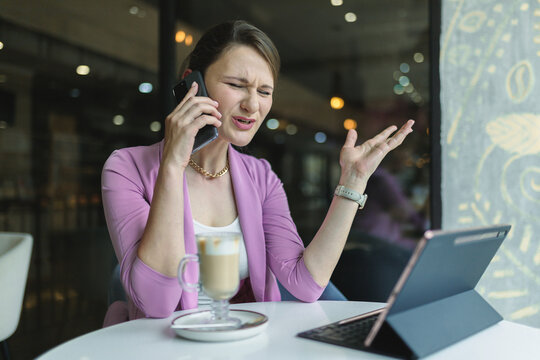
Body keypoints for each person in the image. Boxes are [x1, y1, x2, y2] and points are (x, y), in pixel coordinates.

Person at [101, 20, 414, 325]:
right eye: (237, 85)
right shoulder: (126, 169)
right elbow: (156, 303)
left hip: (246, 343)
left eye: (265, 91)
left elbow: (304, 284)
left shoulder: (261, 177)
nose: (253, 104)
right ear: (192, 83)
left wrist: (354, 181)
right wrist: (172, 165)